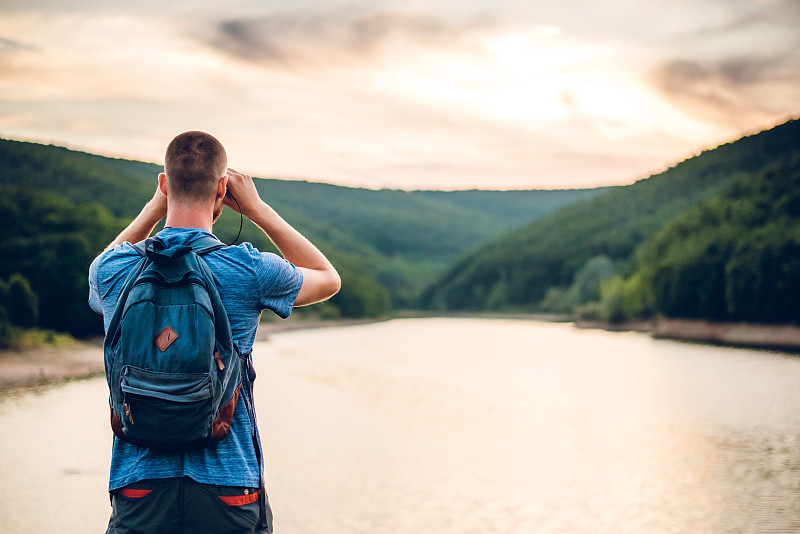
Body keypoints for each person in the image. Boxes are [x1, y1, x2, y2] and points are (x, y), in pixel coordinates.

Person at [88, 131, 341, 534]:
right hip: (228, 487)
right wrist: (257, 209)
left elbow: (97, 269)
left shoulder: (114, 270)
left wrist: (154, 209)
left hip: (139, 484)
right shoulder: (249, 270)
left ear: (164, 185)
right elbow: (328, 279)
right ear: (224, 189)